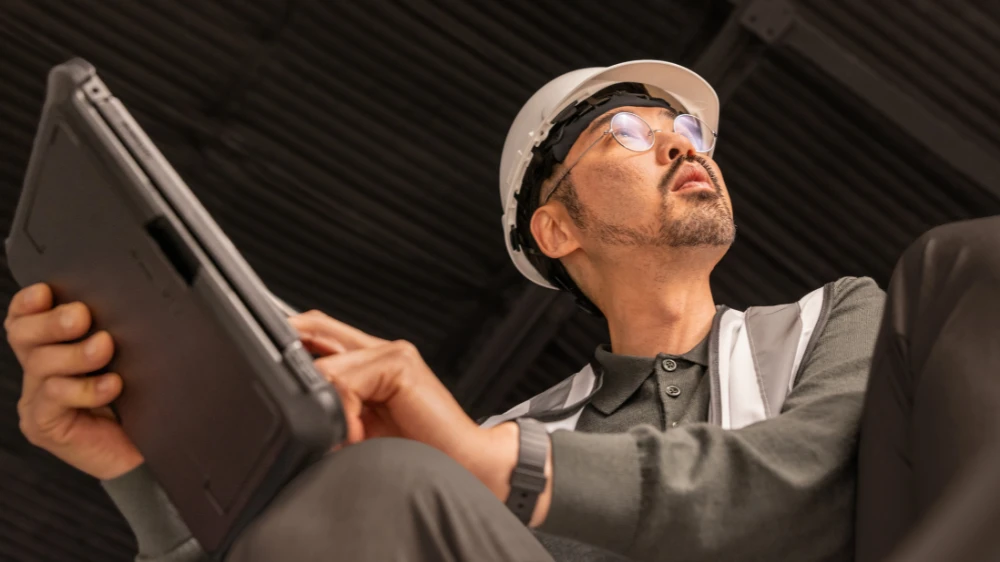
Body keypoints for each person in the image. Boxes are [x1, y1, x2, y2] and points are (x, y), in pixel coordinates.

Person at [7, 59, 993, 562]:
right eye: (627, 132)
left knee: (965, 263)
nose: (684, 144)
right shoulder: (470, 458)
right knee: (369, 488)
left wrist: (496, 464)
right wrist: (144, 471)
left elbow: (798, 498)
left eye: (687, 128)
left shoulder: (837, 321)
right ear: (556, 227)